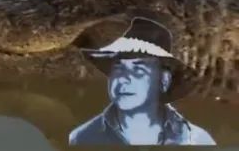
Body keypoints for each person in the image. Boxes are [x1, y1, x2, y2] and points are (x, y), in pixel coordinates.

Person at [68, 17, 216, 146]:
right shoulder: (80, 138)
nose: (123, 78)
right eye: (119, 68)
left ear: (164, 81)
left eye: (138, 69)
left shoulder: (196, 141)